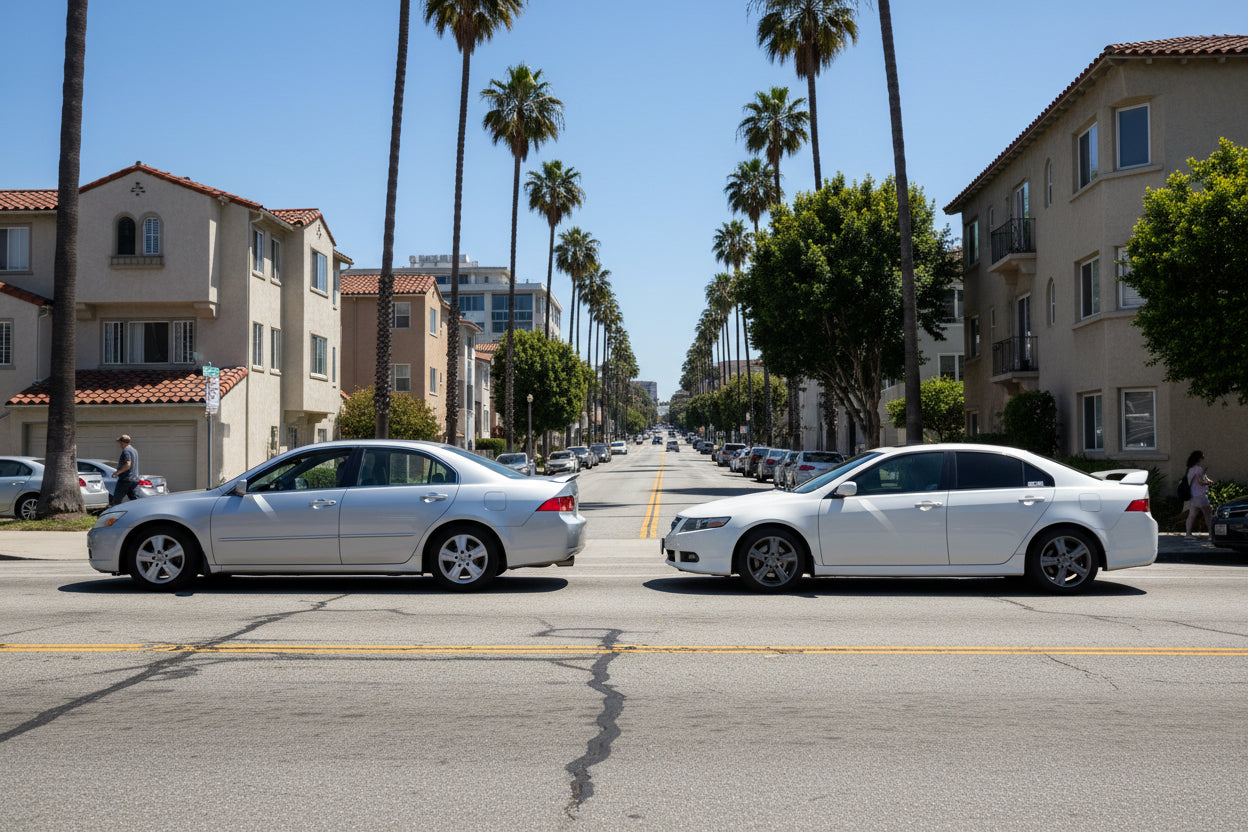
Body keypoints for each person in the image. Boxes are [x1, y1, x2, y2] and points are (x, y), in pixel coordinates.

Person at [1184, 450, 1213, 539]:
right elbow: (1200, 482)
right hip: (1200, 496)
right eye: (1202, 458)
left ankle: (1188, 534)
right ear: (1199, 459)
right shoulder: (1198, 469)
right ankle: (1211, 535)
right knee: (1208, 514)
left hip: (1193, 496)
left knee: (1191, 516)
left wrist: (1207, 480)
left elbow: (1198, 480)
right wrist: (1209, 483)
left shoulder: (1190, 469)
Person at [111, 434, 141, 506]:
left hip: (126, 479)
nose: (120, 445)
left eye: (120, 443)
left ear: (122, 442)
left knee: (116, 500)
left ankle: (115, 515)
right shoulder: (134, 450)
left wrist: (117, 473)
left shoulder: (126, 451)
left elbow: (128, 464)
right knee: (134, 500)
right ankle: (139, 513)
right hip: (134, 479)